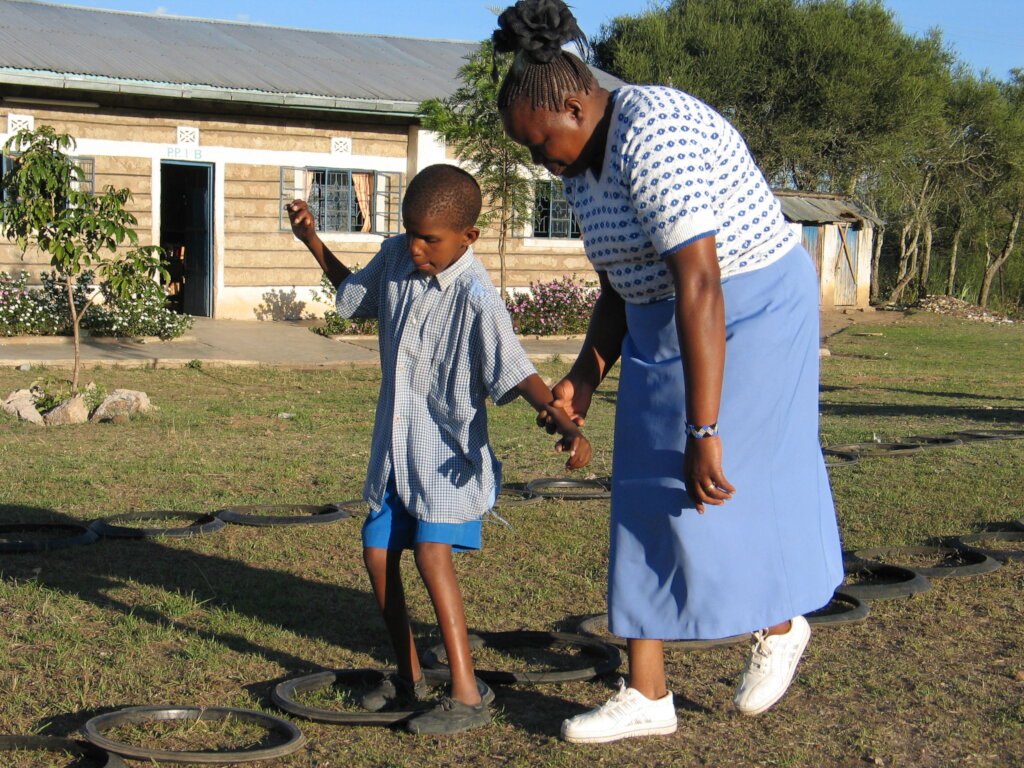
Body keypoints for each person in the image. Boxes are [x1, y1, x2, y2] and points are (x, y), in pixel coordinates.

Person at [493, 0, 844, 744]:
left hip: (748, 302)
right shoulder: (579, 168)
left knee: (715, 479)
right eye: (531, 151)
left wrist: (704, 426)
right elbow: (623, 285)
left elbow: (702, 284)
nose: (541, 160)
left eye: (542, 142)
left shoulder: (656, 134)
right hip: (668, 310)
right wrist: (584, 377)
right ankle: (646, 694)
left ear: (577, 101)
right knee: (640, 488)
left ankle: (780, 624)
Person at [286, 163, 592, 735]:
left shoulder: (478, 296)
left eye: (431, 238)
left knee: (432, 556)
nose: (417, 247)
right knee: (377, 554)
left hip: (447, 454)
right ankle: (409, 677)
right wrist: (313, 242)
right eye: (410, 232)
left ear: (467, 238)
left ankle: (468, 694)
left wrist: (561, 419)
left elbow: (514, 367)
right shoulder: (398, 258)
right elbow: (356, 298)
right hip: (396, 447)